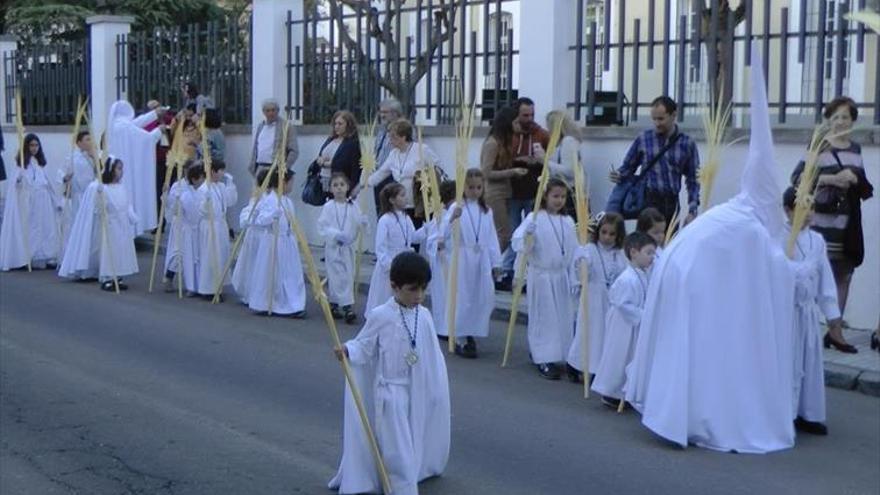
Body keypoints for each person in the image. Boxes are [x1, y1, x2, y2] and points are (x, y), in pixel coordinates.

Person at [624, 49, 796, 453]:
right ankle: (694, 410)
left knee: (695, 342)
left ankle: (675, 404)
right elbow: (768, 280)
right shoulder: (750, 227)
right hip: (688, 276)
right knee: (704, 345)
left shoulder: (734, 214)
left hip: (681, 269)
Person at [329, 251, 450, 495]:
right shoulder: (381, 316)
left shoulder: (423, 316)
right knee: (397, 448)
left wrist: (435, 389)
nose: (419, 296)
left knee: (411, 438)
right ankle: (402, 487)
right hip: (390, 392)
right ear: (394, 286)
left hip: (415, 389)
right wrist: (348, 350)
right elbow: (364, 344)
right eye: (412, 289)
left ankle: (406, 475)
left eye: (423, 289)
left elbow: (432, 357)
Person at [790, 96, 873, 353]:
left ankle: (835, 330)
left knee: (844, 276)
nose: (840, 122)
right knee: (816, 276)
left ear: (853, 120)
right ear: (828, 120)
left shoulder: (856, 149)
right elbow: (798, 179)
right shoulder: (819, 146)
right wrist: (834, 179)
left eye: (845, 117)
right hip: (822, 225)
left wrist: (854, 180)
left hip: (848, 225)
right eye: (835, 117)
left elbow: (863, 184)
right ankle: (808, 328)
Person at [781, 186, 839, 436]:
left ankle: (808, 412)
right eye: (802, 209)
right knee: (788, 361)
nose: (808, 214)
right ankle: (785, 412)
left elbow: (824, 275)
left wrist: (832, 313)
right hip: (786, 312)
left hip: (807, 311)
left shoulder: (817, 240)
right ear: (787, 210)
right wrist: (800, 270)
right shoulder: (777, 237)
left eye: (811, 208)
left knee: (808, 361)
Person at [511, 178, 578, 379]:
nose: (559, 200)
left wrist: (575, 277)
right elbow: (521, 247)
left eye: (563, 197)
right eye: (555, 196)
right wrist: (527, 236)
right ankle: (543, 357)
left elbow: (573, 250)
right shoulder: (534, 218)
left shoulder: (567, 221)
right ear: (545, 197)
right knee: (544, 318)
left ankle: (561, 354)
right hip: (541, 276)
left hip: (561, 276)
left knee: (562, 318)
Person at [607, 96, 701, 224]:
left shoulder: (686, 143)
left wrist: (692, 210)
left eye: (661, 119)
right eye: (654, 119)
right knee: (645, 242)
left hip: (671, 202)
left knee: (669, 242)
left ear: (673, 115)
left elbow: (693, 179)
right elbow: (627, 167)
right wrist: (618, 174)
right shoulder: (644, 139)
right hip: (649, 200)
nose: (657, 123)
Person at [590, 232, 656, 408]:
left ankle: (627, 391)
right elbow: (623, 304)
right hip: (623, 326)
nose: (652, 257)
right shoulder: (627, 278)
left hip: (635, 325)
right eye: (648, 253)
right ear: (634, 252)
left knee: (632, 357)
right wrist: (643, 315)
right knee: (619, 357)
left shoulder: (644, 274)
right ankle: (611, 391)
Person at [443, 169, 503, 358]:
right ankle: (460, 336)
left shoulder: (487, 210)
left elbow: (492, 237)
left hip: (481, 260)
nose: (475, 191)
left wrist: (496, 263)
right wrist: (452, 218)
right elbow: (443, 233)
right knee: (463, 297)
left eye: (479, 187)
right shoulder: (456, 208)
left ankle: (472, 332)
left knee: (481, 296)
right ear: (463, 188)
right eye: (471, 187)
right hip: (463, 258)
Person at [58, 156, 139, 290]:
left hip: (122, 225)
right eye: (118, 169)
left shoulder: (121, 187)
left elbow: (126, 205)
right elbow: (97, 208)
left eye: (121, 169)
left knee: (121, 250)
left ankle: (118, 276)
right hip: (110, 225)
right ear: (110, 170)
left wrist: (132, 218)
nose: (121, 172)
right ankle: (107, 277)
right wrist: (100, 200)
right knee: (109, 250)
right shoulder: (100, 188)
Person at [566, 211, 627, 381]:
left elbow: (623, 273)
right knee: (587, 332)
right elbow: (580, 273)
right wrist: (582, 264)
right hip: (592, 298)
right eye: (604, 232)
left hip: (609, 299)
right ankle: (575, 363)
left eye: (612, 234)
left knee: (604, 335)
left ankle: (597, 367)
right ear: (598, 231)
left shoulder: (619, 254)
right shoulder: (588, 250)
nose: (607, 237)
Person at [246, 168, 307, 318]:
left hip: (286, 242)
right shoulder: (269, 200)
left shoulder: (287, 201)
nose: (292, 186)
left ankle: (292, 303)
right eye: (290, 183)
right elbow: (259, 220)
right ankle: (268, 302)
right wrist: (272, 216)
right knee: (274, 273)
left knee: (289, 274)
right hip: (273, 241)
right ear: (283, 183)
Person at [502, 98, 550, 286]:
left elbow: (551, 160)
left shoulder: (541, 134)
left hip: (534, 191)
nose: (529, 118)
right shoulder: (509, 134)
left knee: (532, 233)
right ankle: (507, 270)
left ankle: (526, 271)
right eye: (525, 115)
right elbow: (500, 159)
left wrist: (539, 160)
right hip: (513, 190)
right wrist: (518, 159)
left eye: (531, 114)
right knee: (514, 232)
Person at [364, 183, 428, 318]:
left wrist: (428, 228)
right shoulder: (385, 220)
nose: (406, 198)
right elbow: (380, 248)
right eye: (402, 195)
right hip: (390, 263)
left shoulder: (406, 218)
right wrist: (390, 265)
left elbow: (413, 237)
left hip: (403, 262)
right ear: (392, 200)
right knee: (386, 295)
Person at [362, 119, 441, 227]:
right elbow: (381, 173)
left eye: (392, 137)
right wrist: (364, 183)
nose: (389, 141)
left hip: (419, 204)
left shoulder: (421, 149)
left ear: (403, 137)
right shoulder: (393, 154)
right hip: (400, 205)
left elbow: (437, 168)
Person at [0, 133, 62, 270]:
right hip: (29, 202)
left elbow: (49, 182)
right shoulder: (20, 165)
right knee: (31, 229)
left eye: (36, 145)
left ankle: (45, 255)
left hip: (43, 200)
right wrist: (19, 181)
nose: (34, 148)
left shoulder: (41, 163)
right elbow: (15, 186)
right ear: (26, 147)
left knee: (46, 227)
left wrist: (56, 201)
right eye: (31, 145)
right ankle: (28, 256)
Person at [105, 100, 165, 234]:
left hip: (120, 169)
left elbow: (137, 123)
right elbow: (147, 139)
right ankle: (131, 230)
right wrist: (158, 131)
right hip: (128, 169)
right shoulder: (125, 127)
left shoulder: (115, 126)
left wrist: (154, 114)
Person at [480, 107, 521, 289]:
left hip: (505, 192)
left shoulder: (505, 142)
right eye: (516, 122)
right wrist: (512, 172)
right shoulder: (493, 143)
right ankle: (488, 268)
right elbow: (486, 172)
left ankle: (490, 268)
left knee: (504, 233)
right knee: (503, 234)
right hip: (494, 193)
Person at [317, 173, 367, 323]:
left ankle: (342, 304)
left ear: (347, 187)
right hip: (334, 247)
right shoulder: (328, 206)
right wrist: (335, 235)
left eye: (342, 185)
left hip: (347, 248)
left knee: (347, 275)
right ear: (331, 189)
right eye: (335, 185)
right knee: (335, 276)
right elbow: (323, 225)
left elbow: (359, 221)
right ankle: (343, 305)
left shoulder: (353, 205)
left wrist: (363, 221)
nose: (339, 188)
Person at [196, 160, 238, 298]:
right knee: (210, 256)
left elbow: (230, 201)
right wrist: (205, 202)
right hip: (209, 225)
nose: (223, 173)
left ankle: (217, 286)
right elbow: (201, 210)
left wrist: (231, 185)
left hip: (220, 225)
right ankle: (207, 288)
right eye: (221, 170)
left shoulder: (220, 186)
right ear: (213, 171)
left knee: (220, 255)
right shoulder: (203, 189)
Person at [162, 163, 205, 294]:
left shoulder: (201, 190)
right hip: (182, 227)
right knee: (178, 254)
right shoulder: (179, 186)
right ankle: (169, 277)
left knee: (195, 257)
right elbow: (173, 207)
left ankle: (196, 284)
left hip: (196, 228)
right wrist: (167, 195)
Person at [232, 169, 270, 305]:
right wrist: (251, 218)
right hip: (255, 236)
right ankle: (249, 291)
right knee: (251, 264)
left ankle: (261, 293)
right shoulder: (257, 197)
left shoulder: (274, 198)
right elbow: (247, 215)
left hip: (266, 237)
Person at [425, 180, 456, 341]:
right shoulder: (442, 215)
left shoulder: (459, 211)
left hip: (456, 260)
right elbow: (433, 238)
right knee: (443, 295)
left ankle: (452, 326)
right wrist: (438, 244)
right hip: (443, 260)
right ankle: (443, 327)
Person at [60, 130, 98, 246]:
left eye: (91, 139)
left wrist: (95, 158)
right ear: (79, 143)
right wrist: (65, 178)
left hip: (92, 195)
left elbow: (101, 173)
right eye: (87, 139)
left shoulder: (96, 155)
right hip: (78, 196)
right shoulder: (72, 157)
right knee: (78, 223)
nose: (90, 142)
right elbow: (61, 173)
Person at [312, 111, 362, 197]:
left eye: (340, 124)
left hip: (340, 185)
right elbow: (321, 154)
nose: (337, 127)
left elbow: (354, 168)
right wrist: (320, 160)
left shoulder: (352, 144)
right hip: (324, 182)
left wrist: (328, 163)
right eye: (335, 124)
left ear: (348, 125)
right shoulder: (331, 139)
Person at [248, 98, 299, 177]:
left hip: (275, 169)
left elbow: (294, 150)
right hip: (260, 168)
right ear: (263, 112)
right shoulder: (261, 126)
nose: (271, 113)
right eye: (268, 111)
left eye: (273, 110)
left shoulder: (286, 127)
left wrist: (284, 167)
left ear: (278, 111)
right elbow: (256, 148)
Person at [371, 98, 405, 215]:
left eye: (385, 112)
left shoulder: (404, 129)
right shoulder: (382, 130)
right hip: (379, 176)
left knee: (391, 212)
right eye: (381, 112)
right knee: (380, 211)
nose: (382, 115)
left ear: (395, 113)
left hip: (393, 177)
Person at [545, 110, 584, 184]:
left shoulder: (568, 141)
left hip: (567, 189)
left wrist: (544, 161)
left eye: (549, 126)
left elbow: (570, 171)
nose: (548, 130)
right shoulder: (562, 142)